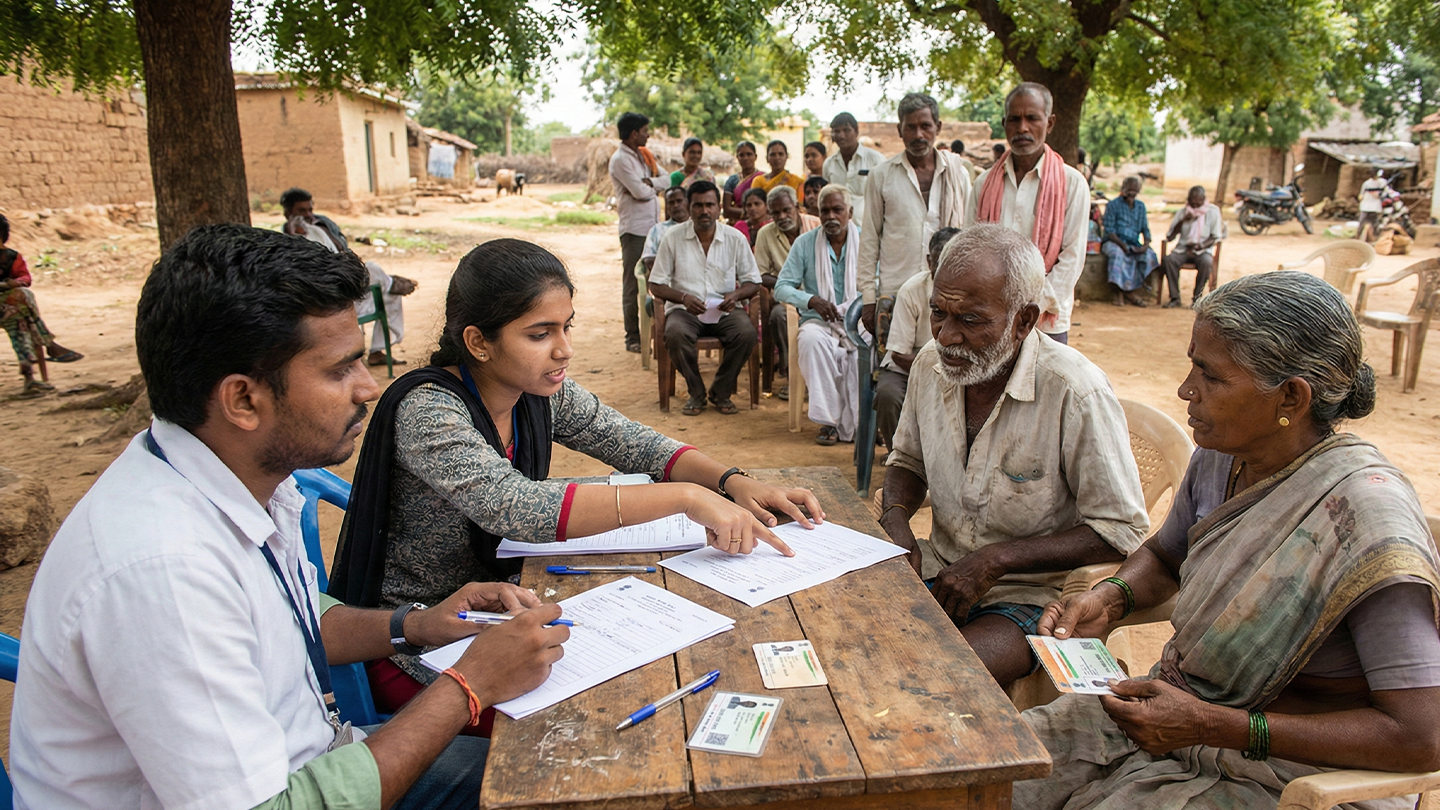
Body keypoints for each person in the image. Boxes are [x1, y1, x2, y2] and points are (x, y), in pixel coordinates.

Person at [9, 224, 570, 810]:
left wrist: (417, 625)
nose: (368, 387)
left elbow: (288, 618)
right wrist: (469, 686)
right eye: (339, 370)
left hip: (316, 759)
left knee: (555, 764)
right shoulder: (163, 571)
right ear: (244, 400)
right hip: (290, 793)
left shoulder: (230, 479)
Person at [327, 237, 824, 714]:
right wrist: (688, 498)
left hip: (500, 613)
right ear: (478, 342)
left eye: (567, 327)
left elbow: (636, 444)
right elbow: (517, 507)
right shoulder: (430, 411)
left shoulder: (538, 392)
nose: (563, 349)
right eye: (540, 334)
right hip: (422, 645)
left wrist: (734, 482)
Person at [1015, 271, 1440, 809]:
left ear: (1291, 396)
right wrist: (1111, 597)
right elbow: (1167, 556)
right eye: (1193, 365)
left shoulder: (1363, 518)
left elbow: (1420, 737)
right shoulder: (1221, 456)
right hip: (1170, 718)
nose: (1185, 390)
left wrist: (1219, 726)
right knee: (991, 770)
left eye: (1210, 376)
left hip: (1289, 774)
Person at [880, 224, 1148, 687]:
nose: (948, 336)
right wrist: (896, 518)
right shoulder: (930, 364)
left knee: (935, 674)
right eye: (938, 313)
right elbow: (907, 461)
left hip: (1031, 596)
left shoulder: (1074, 392)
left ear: (1024, 321)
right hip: (940, 568)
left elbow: (1119, 530)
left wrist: (995, 560)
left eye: (971, 320)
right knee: (850, 636)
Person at [967, 83, 1089, 345]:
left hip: (1045, 321)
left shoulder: (1072, 183)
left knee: (1042, 386)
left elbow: (1071, 258)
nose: (1022, 128)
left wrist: (1029, 309)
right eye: (1014, 119)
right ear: (1004, 124)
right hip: (991, 319)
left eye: (1032, 118)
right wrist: (996, 308)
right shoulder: (983, 184)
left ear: (1050, 122)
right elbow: (973, 251)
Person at [857, 92, 972, 334]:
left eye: (925, 126)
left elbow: (969, 234)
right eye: (910, 127)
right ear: (900, 130)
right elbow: (869, 238)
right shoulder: (881, 175)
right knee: (896, 364)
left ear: (937, 127)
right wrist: (869, 298)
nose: (918, 135)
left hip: (947, 293)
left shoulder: (957, 174)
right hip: (896, 291)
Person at [649, 181, 764, 416]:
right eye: (698, 205)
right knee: (675, 334)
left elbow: (754, 282)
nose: (705, 211)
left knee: (747, 333)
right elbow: (655, 284)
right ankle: (696, 393)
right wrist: (683, 297)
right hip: (685, 310)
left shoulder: (734, 238)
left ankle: (720, 391)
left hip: (724, 308)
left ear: (719, 208)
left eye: (710, 205)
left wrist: (736, 295)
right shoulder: (673, 237)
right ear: (689, 208)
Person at [281, 187, 417, 366]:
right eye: (301, 211)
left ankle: (377, 351)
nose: (307, 215)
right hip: (329, 301)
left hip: (349, 290)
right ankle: (390, 282)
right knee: (374, 270)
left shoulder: (320, 227)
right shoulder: (288, 240)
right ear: (288, 212)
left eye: (310, 210)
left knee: (389, 293)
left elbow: (342, 253)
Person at [775, 185, 863, 446]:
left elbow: (878, 284)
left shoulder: (867, 241)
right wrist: (811, 300)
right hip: (818, 321)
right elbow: (782, 286)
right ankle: (828, 422)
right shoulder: (805, 243)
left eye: (837, 210)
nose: (831, 217)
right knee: (811, 341)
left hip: (858, 320)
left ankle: (864, 422)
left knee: (865, 351)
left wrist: (854, 307)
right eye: (825, 211)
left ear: (850, 212)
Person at [875, 227, 958, 449]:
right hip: (909, 366)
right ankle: (900, 457)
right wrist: (939, 366)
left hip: (955, 366)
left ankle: (945, 465)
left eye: (955, 262)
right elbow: (899, 355)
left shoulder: (970, 291)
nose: (947, 270)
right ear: (929, 261)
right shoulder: (911, 290)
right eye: (940, 262)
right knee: (887, 395)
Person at [0, 214, 82, 397]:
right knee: (24, 303)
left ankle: (30, 379)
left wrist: (14, 283)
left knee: (21, 319)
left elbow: (25, 279)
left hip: (9, 308)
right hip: (11, 306)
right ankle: (49, 343)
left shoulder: (11, 257)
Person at [608, 112, 669, 353]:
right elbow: (640, 192)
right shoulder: (620, 160)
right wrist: (651, 185)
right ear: (634, 134)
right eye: (645, 130)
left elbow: (668, 178)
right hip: (634, 230)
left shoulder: (644, 156)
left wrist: (650, 182)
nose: (648, 134)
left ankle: (654, 331)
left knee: (659, 279)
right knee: (634, 282)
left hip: (654, 229)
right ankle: (632, 336)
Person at [753, 185, 820, 389]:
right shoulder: (765, 233)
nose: (781, 216)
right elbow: (761, 274)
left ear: (797, 207)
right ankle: (793, 374)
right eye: (775, 213)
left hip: (819, 297)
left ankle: (816, 378)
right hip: (787, 299)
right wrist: (787, 285)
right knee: (779, 316)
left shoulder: (817, 225)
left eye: (786, 210)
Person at [1161, 185, 1223, 309]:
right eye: (1192, 202)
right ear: (1188, 200)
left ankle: (1197, 299)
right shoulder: (1183, 212)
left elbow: (1215, 237)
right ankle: (1175, 297)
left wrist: (1201, 246)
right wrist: (1183, 220)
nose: (1194, 205)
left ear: (1203, 199)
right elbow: (1170, 236)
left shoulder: (1212, 212)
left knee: (1206, 262)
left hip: (1203, 250)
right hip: (1183, 249)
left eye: (1198, 202)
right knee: (1169, 260)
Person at [1101, 176, 1158, 308]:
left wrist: (1145, 245)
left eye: (1135, 190)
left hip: (1133, 243)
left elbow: (1145, 228)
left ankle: (1131, 290)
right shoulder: (1113, 205)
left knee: (1149, 256)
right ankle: (1122, 293)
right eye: (1129, 190)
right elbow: (1109, 231)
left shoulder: (1140, 206)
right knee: (1117, 255)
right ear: (1123, 189)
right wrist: (1123, 245)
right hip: (1114, 241)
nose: (1131, 193)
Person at [822, 112, 885, 224]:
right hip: (839, 230)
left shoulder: (875, 159)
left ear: (856, 131)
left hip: (868, 228)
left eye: (846, 130)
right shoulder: (829, 164)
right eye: (836, 131)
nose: (841, 135)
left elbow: (886, 197)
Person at [642, 186, 691, 271]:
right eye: (671, 202)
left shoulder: (697, 227)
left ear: (687, 202)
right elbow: (648, 259)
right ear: (667, 206)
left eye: (679, 201)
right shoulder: (657, 230)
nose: (675, 205)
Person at [750, 140, 806, 205]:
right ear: (767, 158)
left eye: (780, 154)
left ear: (786, 157)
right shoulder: (758, 181)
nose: (777, 158)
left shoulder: (796, 180)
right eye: (773, 155)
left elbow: (798, 205)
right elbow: (755, 204)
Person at [724, 140, 762, 222]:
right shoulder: (732, 180)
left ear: (755, 156)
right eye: (741, 155)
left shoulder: (763, 178)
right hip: (737, 224)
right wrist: (753, 212)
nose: (745, 158)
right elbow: (726, 211)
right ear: (737, 158)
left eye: (749, 154)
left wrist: (736, 210)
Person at [1358, 170, 1388, 242]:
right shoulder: (1367, 183)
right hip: (1366, 206)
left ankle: (1374, 238)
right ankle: (1358, 236)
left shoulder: (1382, 182)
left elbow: (1384, 193)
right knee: (1362, 222)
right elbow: (1361, 194)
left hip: (1375, 206)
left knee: (1375, 223)